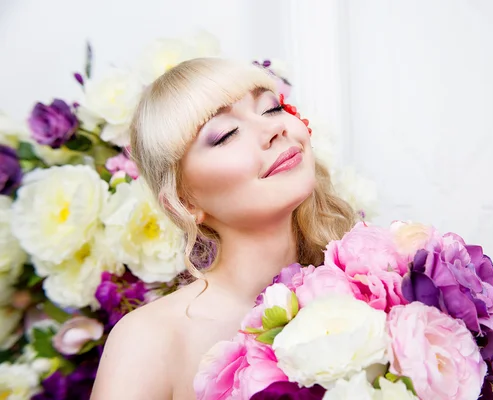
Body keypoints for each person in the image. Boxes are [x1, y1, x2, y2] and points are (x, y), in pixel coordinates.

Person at [90, 58, 356, 400]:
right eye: (226, 134)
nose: (274, 129)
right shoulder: (149, 340)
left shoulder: (371, 283)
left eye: (271, 109)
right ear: (184, 203)